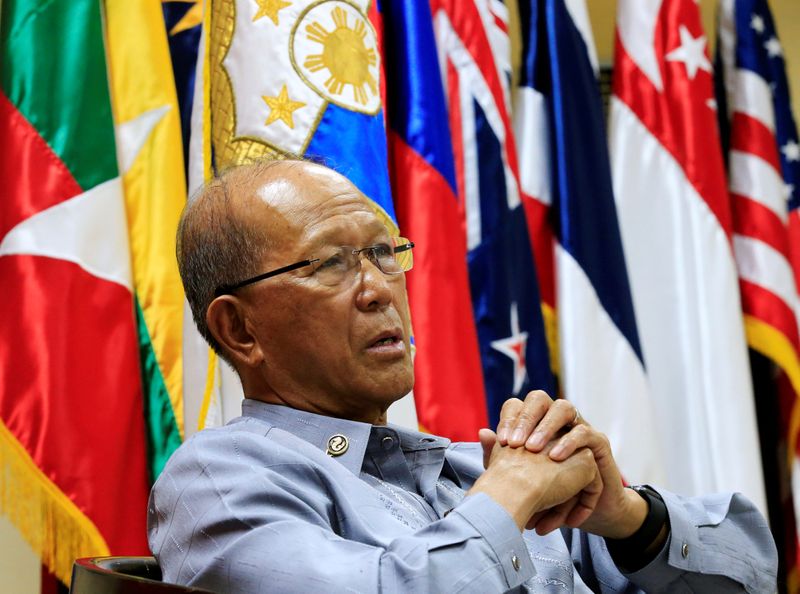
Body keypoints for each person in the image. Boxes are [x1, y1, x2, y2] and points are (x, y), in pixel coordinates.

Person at [148, 158, 777, 593]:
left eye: (384, 252)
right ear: (240, 331)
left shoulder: (472, 470)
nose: (378, 290)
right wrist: (511, 496)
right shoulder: (219, 482)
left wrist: (630, 519)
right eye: (331, 264)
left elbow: (753, 575)